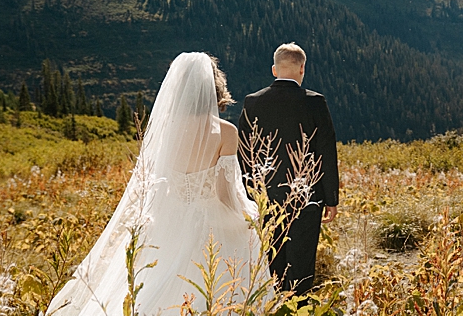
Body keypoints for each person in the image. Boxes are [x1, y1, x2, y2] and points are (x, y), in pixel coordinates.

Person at [47, 53, 260, 316]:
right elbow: (224, 191)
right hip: (210, 221)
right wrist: (245, 214)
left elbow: (159, 180)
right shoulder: (226, 132)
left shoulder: (166, 130)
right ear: (214, 88)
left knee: (161, 279)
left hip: (169, 217)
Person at [238, 42, 339, 295]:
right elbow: (327, 152)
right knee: (301, 261)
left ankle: (272, 305)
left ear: (274, 69)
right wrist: (331, 198)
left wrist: (249, 194)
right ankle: (298, 307)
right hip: (307, 195)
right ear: (302, 68)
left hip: (265, 196)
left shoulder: (253, 102)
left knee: (271, 258)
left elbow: (244, 154)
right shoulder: (315, 102)